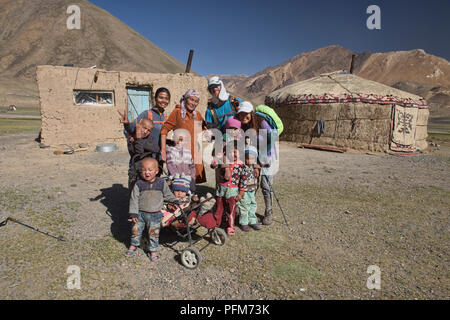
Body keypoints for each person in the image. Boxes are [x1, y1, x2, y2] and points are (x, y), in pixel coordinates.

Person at [125, 157, 179, 262]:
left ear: (156, 171)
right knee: (135, 230)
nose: (147, 173)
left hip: (155, 214)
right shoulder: (139, 184)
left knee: (153, 234)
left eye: (150, 170)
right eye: (144, 170)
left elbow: (168, 194)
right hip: (140, 213)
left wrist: (174, 201)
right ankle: (134, 245)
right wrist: (133, 214)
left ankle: (153, 250)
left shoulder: (161, 183)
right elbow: (134, 199)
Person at [237, 101, 278, 226]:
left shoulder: (261, 122)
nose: (244, 116)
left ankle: (269, 212)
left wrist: (263, 157)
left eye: (246, 114)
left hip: (268, 156)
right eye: (241, 114)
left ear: (251, 113)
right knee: (251, 183)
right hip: (253, 157)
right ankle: (248, 211)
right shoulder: (244, 126)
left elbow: (272, 136)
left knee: (266, 185)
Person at [160, 89, 207, 184]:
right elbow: (164, 130)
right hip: (181, 153)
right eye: (191, 100)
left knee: (194, 178)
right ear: (185, 99)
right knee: (180, 179)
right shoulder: (177, 112)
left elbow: (204, 127)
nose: (193, 103)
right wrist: (163, 150)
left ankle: (192, 195)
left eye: (196, 101)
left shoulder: (197, 114)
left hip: (195, 151)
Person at [119, 87, 171, 160]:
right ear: (155, 98)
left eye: (166, 98)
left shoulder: (165, 117)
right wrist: (127, 124)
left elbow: (160, 137)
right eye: (161, 97)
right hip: (146, 157)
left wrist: (172, 142)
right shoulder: (147, 114)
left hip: (159, 156)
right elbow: (131, 128)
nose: (164, 100)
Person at [211, 143, 247, 235]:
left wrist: (241, 193)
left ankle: (230, 226)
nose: (233, 154)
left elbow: (243, 180)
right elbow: (213, 165)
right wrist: (219, 158)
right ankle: (216, 224)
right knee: (218, 208)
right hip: (221, 190)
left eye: (235, 152)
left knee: (231, 210)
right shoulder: (222, 162)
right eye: (230, 152)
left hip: (232, 192)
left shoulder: (241, 166)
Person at [237, 145, 262, 231]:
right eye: (248, 158)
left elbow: (258, 165)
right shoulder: (242, 167)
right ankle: (243, 222)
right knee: (244, 205)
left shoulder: (253, 166)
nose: (250, 160)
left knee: (253, 204)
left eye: (252, 158)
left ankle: (252, 220)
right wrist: (240, 191)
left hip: (252, 190)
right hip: (244, 190)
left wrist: (258, 167)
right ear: (244, 157)